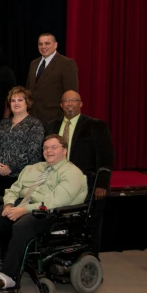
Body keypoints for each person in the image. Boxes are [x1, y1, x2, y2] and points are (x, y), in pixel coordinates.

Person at [0, 134, 87, 291]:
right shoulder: (33, 168)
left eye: (53, 147)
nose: (48, 151)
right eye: (45, 148)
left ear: (64, 150)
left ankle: (10, 276)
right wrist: (9, 204)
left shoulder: (72, 173)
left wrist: (23, 210)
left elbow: (55, 202)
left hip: (51, 214)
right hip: (21, 205)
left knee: (22, 225)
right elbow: (14, 189)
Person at [47, 90, 114, 255]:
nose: (70, 103)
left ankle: (89, 259)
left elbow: (106, 157)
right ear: (61, 105)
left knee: (89, 223)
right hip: (57, 182)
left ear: (81, 104)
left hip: (87, 183)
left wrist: (102, 183)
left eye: (74, 100)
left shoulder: (96, 126)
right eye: (66, 101)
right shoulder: (52, 126)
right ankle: (61, 256)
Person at [0, 86, 45, 197]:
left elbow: (32, 151)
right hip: (0, 177)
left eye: (20, 100)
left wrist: (11, 167)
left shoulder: (35, 124)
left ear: (27, 102)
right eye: (13, 100)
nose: (16, 103)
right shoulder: (2, 124)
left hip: (23, 178)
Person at [26, 33, 79, 126]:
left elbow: (71, 92)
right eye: (40, 44)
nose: (43, 46)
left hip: (54, 118)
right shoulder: (33, 63)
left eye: (47, 43)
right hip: (32, 118)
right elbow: (29, 89)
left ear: (55, 45)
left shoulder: (66, 63)